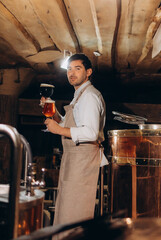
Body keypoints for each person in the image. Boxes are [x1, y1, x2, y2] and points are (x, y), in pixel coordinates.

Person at [42, 53, 108, 228]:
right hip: (74, 159)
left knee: (75, 212)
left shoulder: (90, 96)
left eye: (77, 69)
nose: (71, 73)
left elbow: (91, 133)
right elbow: (69, 124)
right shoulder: (79, 95)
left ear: (88, 72)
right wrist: (54, 114)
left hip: (83, 159)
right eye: (69, 69)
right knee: (66, 209)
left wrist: (58, 130)